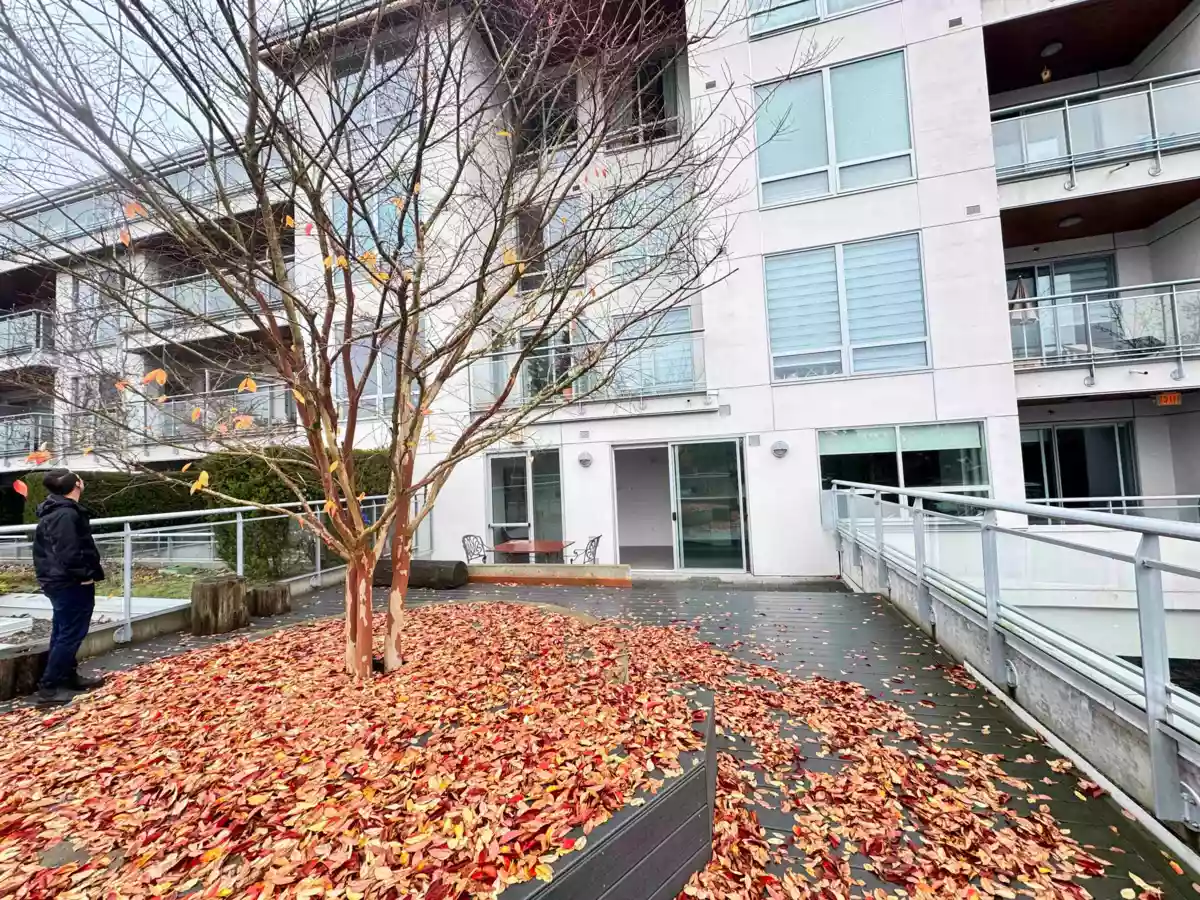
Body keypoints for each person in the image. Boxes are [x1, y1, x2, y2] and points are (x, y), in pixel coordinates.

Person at [33, 469, 106, 706]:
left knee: (64, 630)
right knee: (70, 633)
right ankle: (50, 687)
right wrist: (84, 575)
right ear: (77, 484)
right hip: (68, 582)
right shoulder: (64, 514)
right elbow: (68, 551)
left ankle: (66, 677)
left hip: (59, 580)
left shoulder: (57, 511)